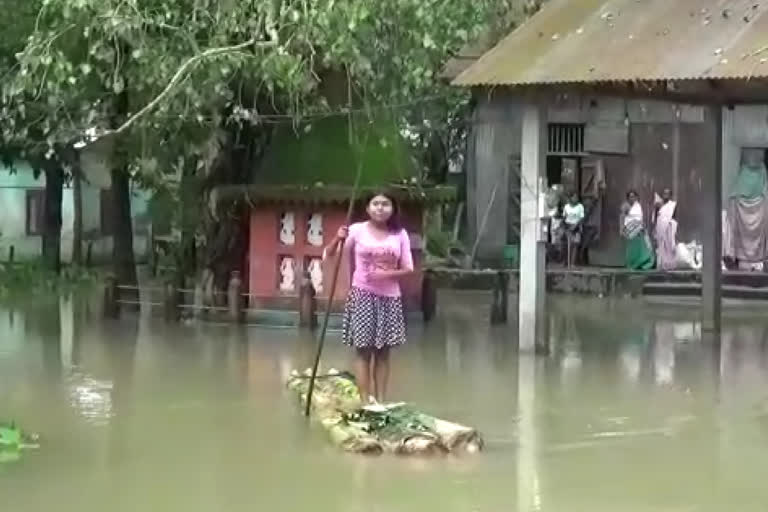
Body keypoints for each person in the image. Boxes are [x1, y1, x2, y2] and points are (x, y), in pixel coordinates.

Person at [322, 190, 414, 404]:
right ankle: (365, 402)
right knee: (363, 352)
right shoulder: (356, 231)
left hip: (389, 298)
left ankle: (380, 401)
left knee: (383, 353)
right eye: (375, 203)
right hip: (363, 296)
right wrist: (338, 237)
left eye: (385, 204)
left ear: (392, 209)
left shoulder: (399, 234)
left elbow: (409, 268)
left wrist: (386, 274)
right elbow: (328, 254)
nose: (380, 208)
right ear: (368, 208)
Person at [620, 190, 655, 270]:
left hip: (639, 230)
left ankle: (640, 263)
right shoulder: (626, 206)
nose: (632, 198)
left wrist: (643, 228)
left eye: (633, 196)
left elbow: (640, 218)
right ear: (628, 198)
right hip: (629, 230)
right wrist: (621, 229)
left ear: (636, 197)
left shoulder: (638, 206)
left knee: (640, 248)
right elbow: (622, 217)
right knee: (631, 249)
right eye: (630, 197)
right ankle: (631, 264)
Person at [653, 188, 678, 271]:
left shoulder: (673, 205)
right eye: (664, 193)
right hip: (660, 227)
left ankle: (670, 264)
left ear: (670, 195)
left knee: (669, 246)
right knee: (661, 245)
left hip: (669, 228)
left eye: (668, 194)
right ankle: (661, 264)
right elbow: (656, 217)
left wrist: (672, 226)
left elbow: (674, 217)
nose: (665, 195)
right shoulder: (658, 204)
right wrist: (655, 228)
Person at [562, 192, 584, 267]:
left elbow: (581, 218)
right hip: (568, 226)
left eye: (577, 197)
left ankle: (573, 263)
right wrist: (566, 227)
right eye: (574, 197)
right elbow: (564, 217)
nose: (576, 199)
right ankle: (566, 262)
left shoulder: (580, 207)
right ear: (571, 198)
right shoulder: (566, 207)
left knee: (575, 245)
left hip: (577, 227)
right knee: (568, 245)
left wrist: (576, 225)